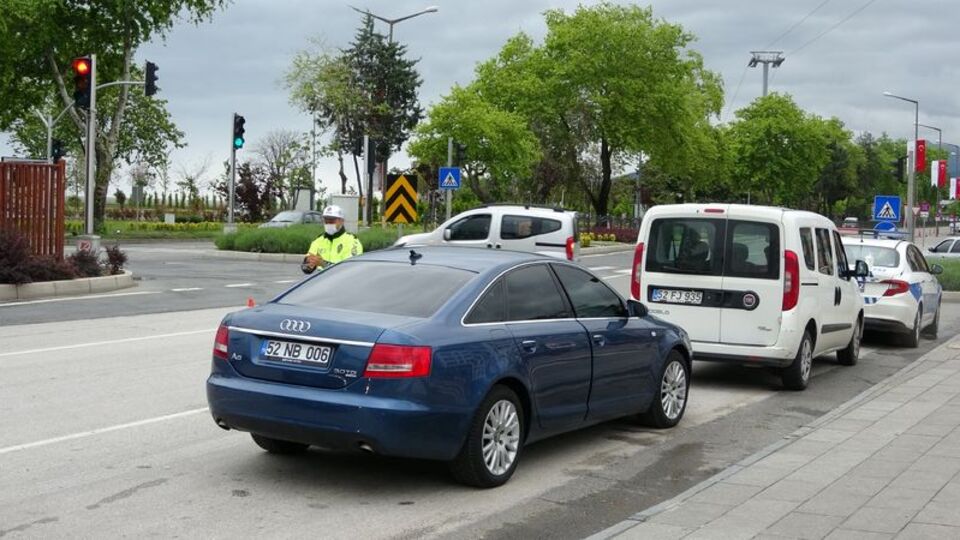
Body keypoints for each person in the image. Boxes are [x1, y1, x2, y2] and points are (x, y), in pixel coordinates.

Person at [300, 205, 363, 274]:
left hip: (343, 283)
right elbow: (306, 269)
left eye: (332, 220)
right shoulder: (318, 240)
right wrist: (308, 264)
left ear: (341, 221)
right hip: (322, 282)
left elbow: (350, 269)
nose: (328, 223)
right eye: (326, 220)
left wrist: (324, 264)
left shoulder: (352, 241)